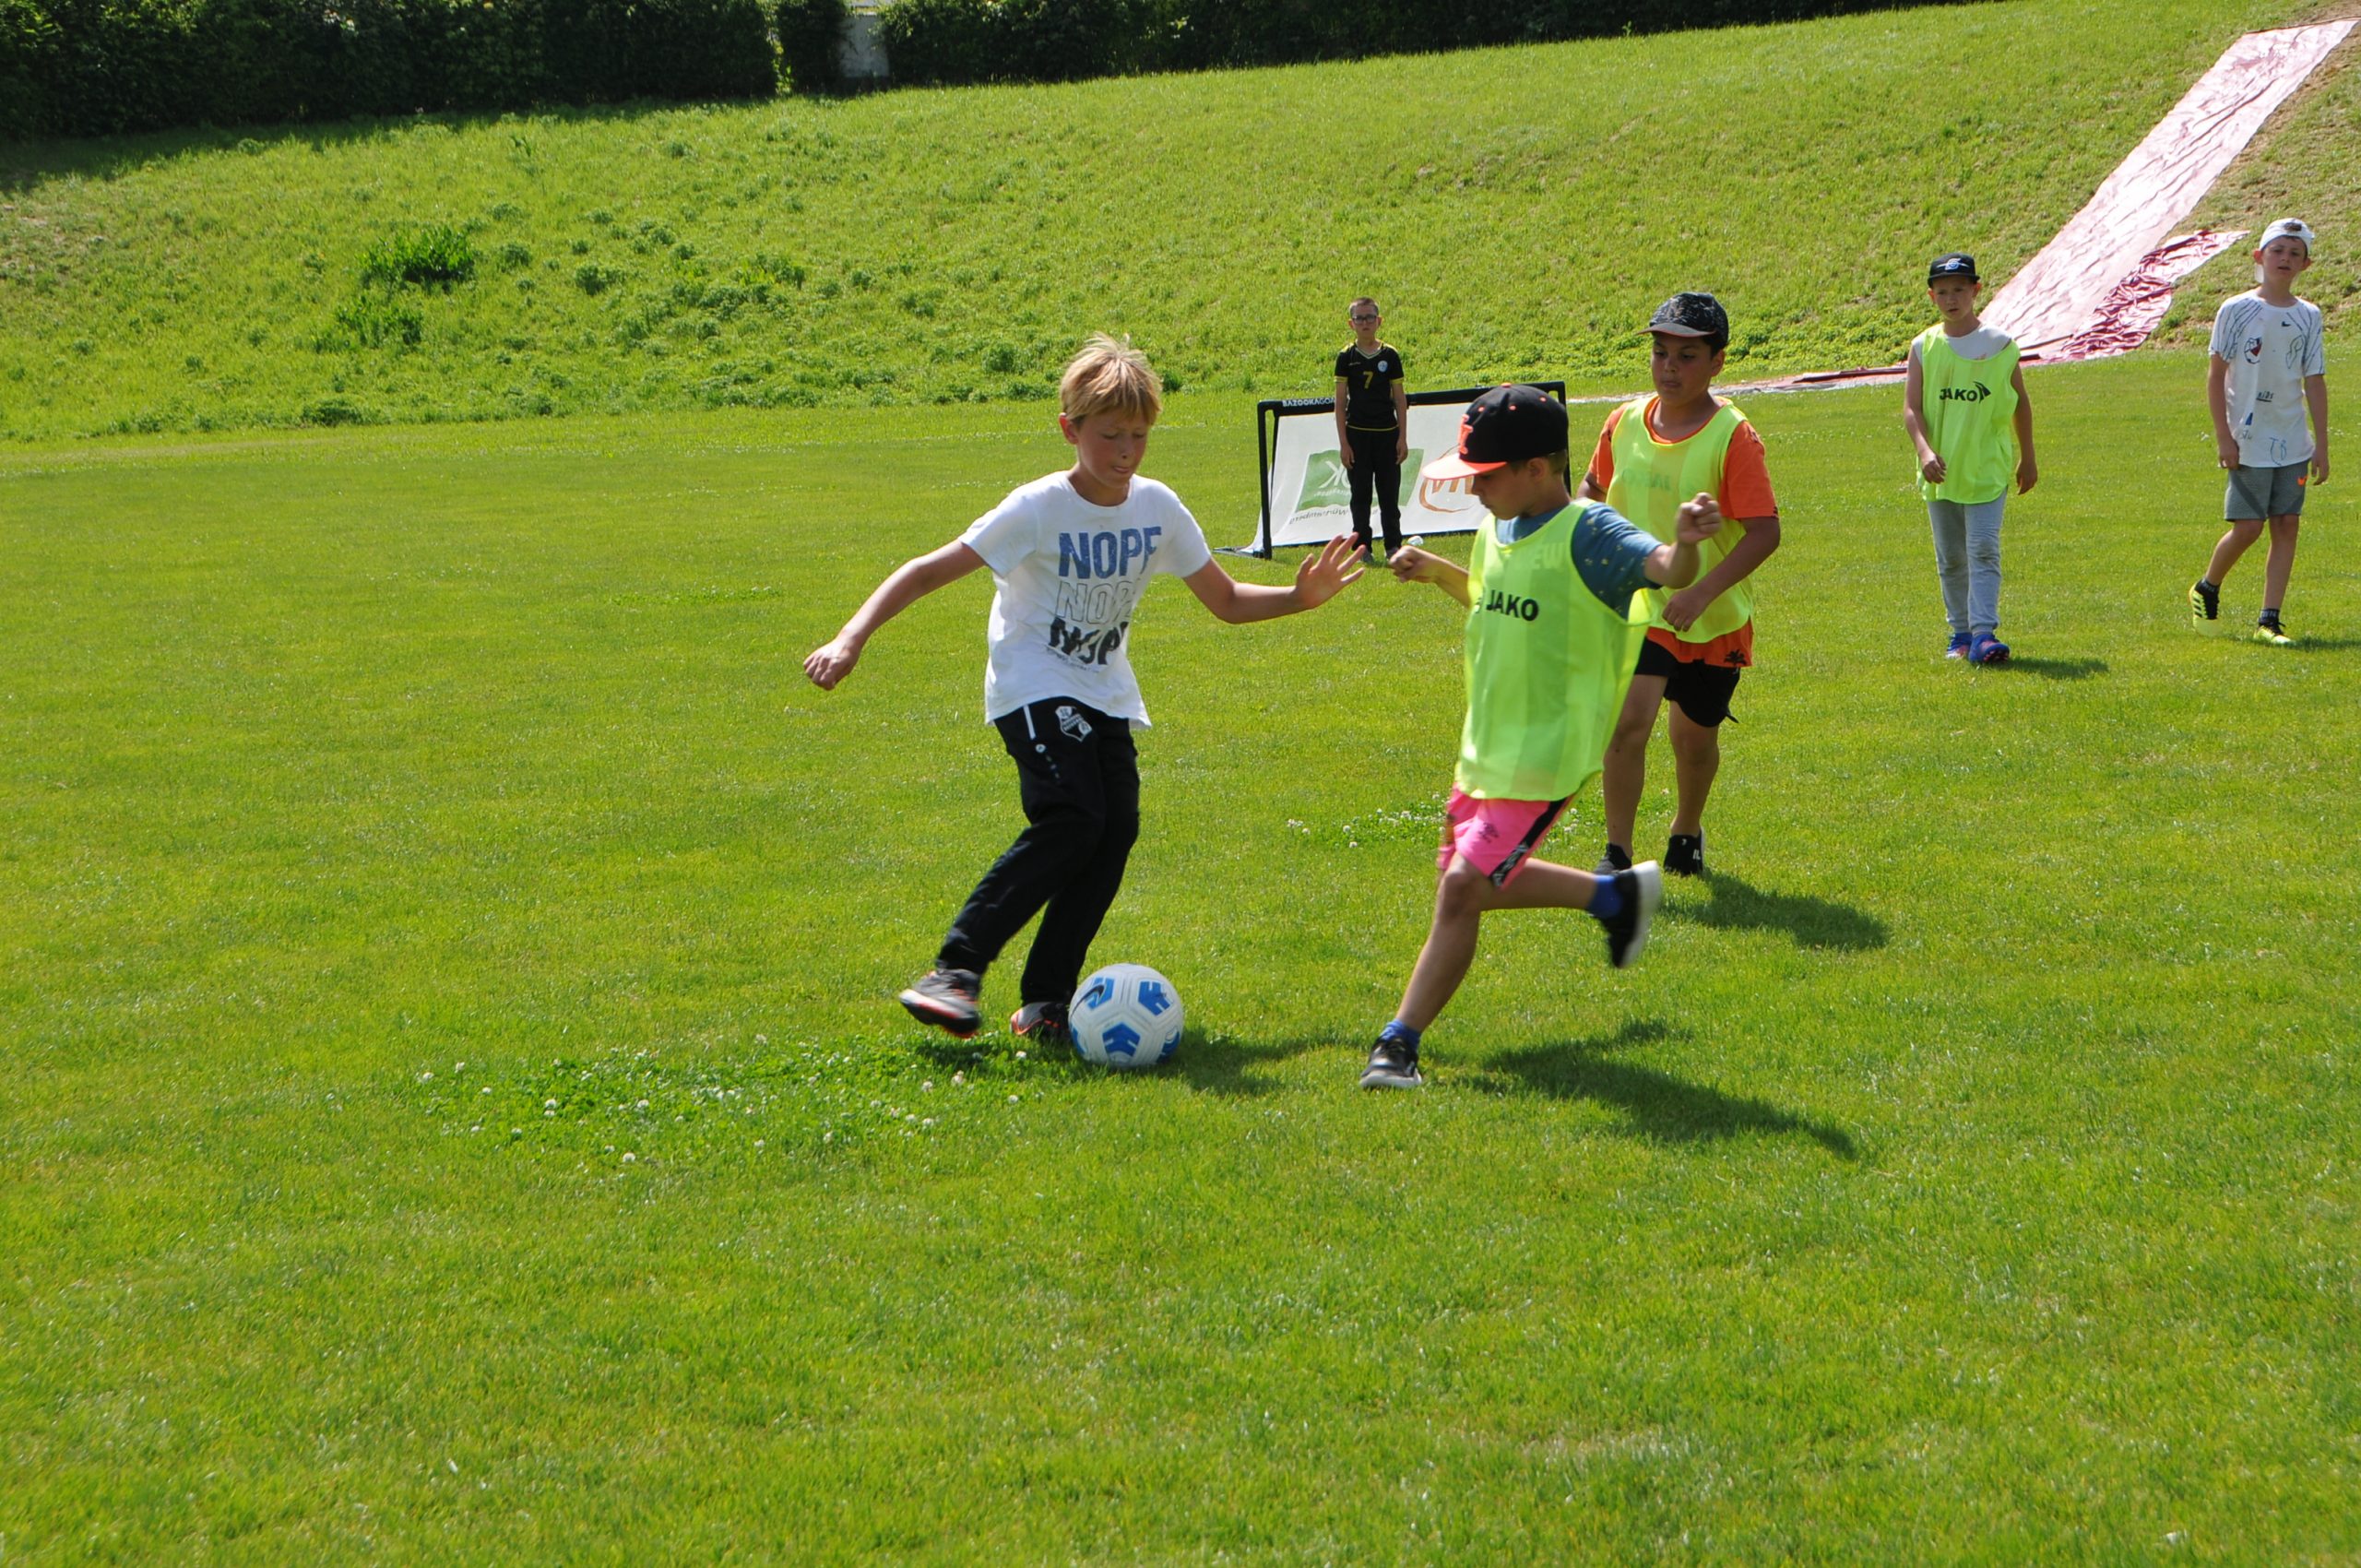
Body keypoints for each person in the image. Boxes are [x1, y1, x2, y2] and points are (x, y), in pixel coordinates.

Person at [804, 336, 1367, 1045]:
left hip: (1105, 691)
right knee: (1073, 817)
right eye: (1110, 436)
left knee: (1112, 831)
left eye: (1139, 435)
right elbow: (925, 570)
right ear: (1070, 429)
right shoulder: (1037, 508)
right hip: (1032, 683)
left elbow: (1223, 599)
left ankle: (1045, 1000)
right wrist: (850, 638)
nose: (1126, 452)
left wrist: (1297, 598)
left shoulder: (1158, 508)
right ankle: (954, 970)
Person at [1364, 384, 1723, 1090]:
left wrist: (1685, 544)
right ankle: (1616, 899)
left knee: (1462, 888)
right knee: (1472, 883)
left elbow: (1664, 569)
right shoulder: (1496, 527)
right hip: (1485, 749)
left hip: (1544, 757)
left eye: (1485, 477)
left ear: (1536, 468)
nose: (1474, 491)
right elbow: (1495, 600)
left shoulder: (1592, 533)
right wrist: (1438, 572)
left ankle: (1398, 1044)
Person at [1581, 292, 1781, 881]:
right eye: (1660, 353)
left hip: (1709, 616)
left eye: (1687, 357)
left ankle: (1686, 830)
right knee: (1628, 723)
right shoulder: (1622, 422)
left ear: (1717, 362)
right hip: (1636, 606)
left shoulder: (1733, 436)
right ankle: (1617, 853)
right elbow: (1591, 493)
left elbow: (1765, 532)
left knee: (1694, 740)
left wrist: (1701, 593)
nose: (1669, 368)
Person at [2189, 218, 2331, 647]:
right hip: (2248, 438)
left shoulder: (2309, 316)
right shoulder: (2235, 309)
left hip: (2292, 439)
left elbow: (2314, 380)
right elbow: (2216, 375)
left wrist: (2321, 444)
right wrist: (2223, 436)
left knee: (2286, 524)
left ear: (2306, 264)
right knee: (2248, 527)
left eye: (2295, 253)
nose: (2285, 259)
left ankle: (2270, 621)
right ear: (2259, 256)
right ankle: (2207, 587)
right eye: (2277, 250)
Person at [1902, 251, 2038, 664]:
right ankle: (1959, 632)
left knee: (1982, 549)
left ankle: (1983, 634)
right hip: (1941, 473)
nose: (1951, 299)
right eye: (1942, 292)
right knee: (1951, 558)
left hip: (1985, 468)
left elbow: (2020, 402)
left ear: (1976, 291)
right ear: (1932, 296)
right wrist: (1924, 450)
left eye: (1959, 290)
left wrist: (2028, 456)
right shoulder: (1924, 347)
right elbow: (1912, 408)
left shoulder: (1999, 345)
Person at [1335, 297, 1410, 560]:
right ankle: (1362, 547)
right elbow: (1340, 403)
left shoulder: (1390, 355)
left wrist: (1402, 437)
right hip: (1357, 435)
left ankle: (1393, 546)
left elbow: (1399, 398)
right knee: (1360, 495)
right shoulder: (1346, 356)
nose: (1365, 323)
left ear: (1379, 321)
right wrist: (1344, 443)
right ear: (1351, 323)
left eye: (1369, 317)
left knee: (1389, 495)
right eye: (1359, 318)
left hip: (1387, 435)